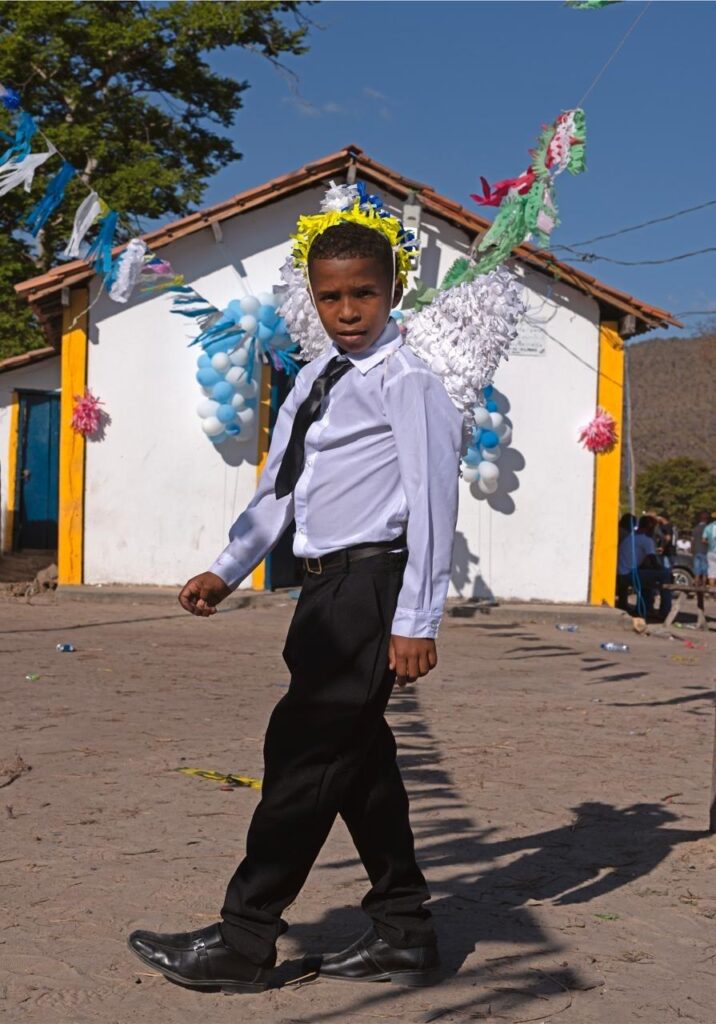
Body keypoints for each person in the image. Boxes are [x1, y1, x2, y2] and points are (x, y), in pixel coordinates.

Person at [127, 192, 467, 991]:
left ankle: (245, 939)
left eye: (365, 293)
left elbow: (434, 502)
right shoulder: (316, 376)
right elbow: (280, 486)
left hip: (370, 587)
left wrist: (418, 618)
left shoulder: (409, 382)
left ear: (393, 290)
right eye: (331, 296)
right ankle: (405, 933)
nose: (348, 311)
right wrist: (228, 566)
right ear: (312, 298)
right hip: (321, 595)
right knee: (357, 760)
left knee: (304, 756)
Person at [616, 514, 672, 619]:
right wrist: (663, 571)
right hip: (628, 574)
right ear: (650, 528)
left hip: (620, 573)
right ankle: (665, 611)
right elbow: (654, 562)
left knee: (647, 579)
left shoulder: (631, 537)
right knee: (665, 574)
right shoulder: (646, 540)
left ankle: (644, 607)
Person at [692, 510, 709, 585]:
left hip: (696, 551)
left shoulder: (695, 528)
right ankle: (704, 585)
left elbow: (692, 540)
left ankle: (696, 584)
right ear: (706, 519)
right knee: (705, 569)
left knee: (697, 569)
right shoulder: (708, 528)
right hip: (705, 551)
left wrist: (692, 549)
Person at [704, 510, 716, 586]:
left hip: (711, 552)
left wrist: (711, 543)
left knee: (712, 574)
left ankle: (712, 591)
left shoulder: (708, 527)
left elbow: (703, 540)